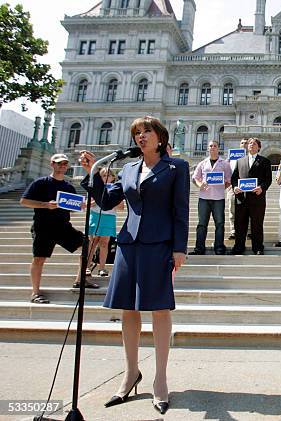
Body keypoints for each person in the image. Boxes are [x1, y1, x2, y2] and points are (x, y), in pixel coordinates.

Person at [80, 116, 189, 415]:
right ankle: (130, 373)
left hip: (160, 244)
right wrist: (91, 175)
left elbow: (181, 209)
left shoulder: (176, 167)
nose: (141, 137)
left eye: (146, 132)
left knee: (159, 308)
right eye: (137, 133)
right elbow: (106, 201)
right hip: (129, 244)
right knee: (128, 308)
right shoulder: (128, 168)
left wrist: (180, 248)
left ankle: (160, 379)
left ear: (160, 136)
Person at [20, 153, 89, 304]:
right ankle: (35, 292)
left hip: (63, 226)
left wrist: (80, 206)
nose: (62, 166)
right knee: (39, 258)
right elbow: (24, 201)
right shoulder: (40, 183)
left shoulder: (69, 187)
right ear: (52, 164)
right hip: (43, 226)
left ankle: (80, 279)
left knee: (86, 245)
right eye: (59, 163)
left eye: (65, 164)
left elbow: (71, 207)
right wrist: (45, 205)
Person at [230, 137, 272, 255]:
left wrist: (262, 188)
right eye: (249, 143)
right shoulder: (240, 161)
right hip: (241, 198)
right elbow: (234, 178)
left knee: (257, 224)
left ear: (259, 147)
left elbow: (268, 179)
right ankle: (239, 247)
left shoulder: (264, 161)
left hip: (257, 197)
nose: (251, 145)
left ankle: (258, 247)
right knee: (240, 224)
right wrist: (234, 187)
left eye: (254, 144)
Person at [190, 140, 232, 255]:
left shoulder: (224, 163)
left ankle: (219, 247)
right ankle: (199, 248)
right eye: (210, 146)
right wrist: (200, 185)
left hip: (218, 198)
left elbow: (229, 180)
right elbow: (195, 178)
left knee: (219, 224)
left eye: (215, 146)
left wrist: (223, 185)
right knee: (202, 224)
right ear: (208, 149)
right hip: (204, 198)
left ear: (218, 148)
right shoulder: (202, 163)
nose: (212, 148)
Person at [86, 166, 123, 278]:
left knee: (104, 243)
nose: (106, 177)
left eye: (108, 175)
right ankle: (87, 267)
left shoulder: (116, 190)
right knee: (92, 242)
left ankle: (102, 268)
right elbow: (89, 204)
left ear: (113, 177)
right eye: (103, 175)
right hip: (96, 215)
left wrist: (110, 200)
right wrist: (100, 199)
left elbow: (121, 207)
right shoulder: (95, 188)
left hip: (109, 217)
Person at [227, 138, 249, 240]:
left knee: (248, 210)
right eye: (242, 143)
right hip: (233, 187)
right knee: (232, 209)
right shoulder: (232, 157)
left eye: (246, 143)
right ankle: (233, 231)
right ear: (239, 145)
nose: (244, 144)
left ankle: (248, 231)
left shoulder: (251, 157)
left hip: (247, 187)